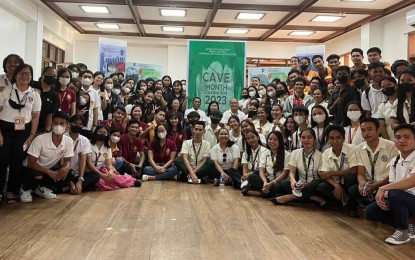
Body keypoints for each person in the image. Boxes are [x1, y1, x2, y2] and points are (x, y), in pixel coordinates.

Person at [365, 124, 415, 245]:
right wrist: (384, 200)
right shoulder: (395, 160)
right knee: (371, 211)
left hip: (411, 200)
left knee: (394, 194)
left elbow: (412, 181)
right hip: (403, 201)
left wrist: (383, 188)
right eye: (398, 137)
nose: (402, 140)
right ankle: (409, 225)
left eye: (407, 137)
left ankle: (403, 231)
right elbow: (393, 183)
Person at [0, 64, 41, 204]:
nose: (24, 76)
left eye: (28, 74)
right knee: (2, 160)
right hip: (4, 129)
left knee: (17, 160)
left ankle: (11, 190)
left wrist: (32, 135)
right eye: (21, 73)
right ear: (16, 75)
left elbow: (35, 116)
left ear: (31, 76)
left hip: (24, 131)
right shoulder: (5, 91)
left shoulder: (35, 94)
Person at [348, 118, 398, 217]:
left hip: (386, 185)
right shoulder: (358, 148)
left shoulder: (391, 146)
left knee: (372, 212)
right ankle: (370, 204)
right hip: (370, 185)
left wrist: (376, 186)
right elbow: (361, 173)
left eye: (370, 129)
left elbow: (393, 174)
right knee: (353, 189)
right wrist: (362, 184)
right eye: (363, 130)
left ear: (378, 130)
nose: (366, 133)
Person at [20, 112, 74, 202]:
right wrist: (49, 172)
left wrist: (66, 167)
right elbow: (31, 163)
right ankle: (24, 189)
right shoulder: (40, 139)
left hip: (47, 170)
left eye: (62, 123)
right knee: (37, 176)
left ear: (67, 125)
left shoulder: (68, 141)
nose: (58, 126)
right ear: (52, 124)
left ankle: (41, 188)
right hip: (29, 168)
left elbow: (68, 160)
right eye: (56, 123)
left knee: (69, 174)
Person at [270, 128, 326, 207]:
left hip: (313, 184)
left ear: (315, 140)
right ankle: (314, 198)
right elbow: (292, 172)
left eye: (309, 137)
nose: (306, 140)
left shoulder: (320, 155)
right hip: (299, 184)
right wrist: (293, 181)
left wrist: (307, 184)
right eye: (303, 137)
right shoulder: (295, 153)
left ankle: (291, 197)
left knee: (316, 183)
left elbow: (321, 176)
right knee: (284, 184)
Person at [86, 125, 141, 191]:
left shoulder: (107, 147)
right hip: (90, 171)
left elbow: (108, 164)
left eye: (104, 132)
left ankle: (131, 181)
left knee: (114, 178)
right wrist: (101, 175)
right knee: (102, 182)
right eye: (100, 132)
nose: (102, 134)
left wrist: (111, 172)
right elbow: (89, 164)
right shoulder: (88, 144)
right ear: (95, 133)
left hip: (102, 170)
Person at [317, 125, 358, 213]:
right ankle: (338, 203)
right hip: (336, 183)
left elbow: (353, 170)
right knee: (322, 187)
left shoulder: (352, 149)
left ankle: (352, 205)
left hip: (348, 183)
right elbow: (324, 174)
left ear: (343, 138)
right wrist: (336, 185)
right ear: (328, 139)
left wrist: (331, 173)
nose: (335, 141)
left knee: (350, 178)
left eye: (338, 138)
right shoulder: (326, 153)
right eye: (331, 138)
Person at [65, 115, 100, 194]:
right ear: (69, 124)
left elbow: (83, 161)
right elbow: (61, 162)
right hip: (64, 173)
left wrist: (80, 180)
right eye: (75, 123)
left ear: (83, 126)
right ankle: (71, 186)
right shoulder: (63, 137)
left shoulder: (85, 141)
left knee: (95, 176)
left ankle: (70, 188)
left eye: (80, 124)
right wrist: (69, 181)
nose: (77, 125)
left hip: (77, 175)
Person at [260, 131, 290, 199]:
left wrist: (272, 183)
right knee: (253, 177)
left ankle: (259, 193)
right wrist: (265, 182)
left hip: (279, 181)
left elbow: (285, 174)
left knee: (286, 183)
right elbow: (261, 171)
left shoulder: (287, 154)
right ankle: (274, 194)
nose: (272, 141)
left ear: (280, 141)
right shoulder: (264, 153)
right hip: (268, 180)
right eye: (270, 139)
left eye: (275, 140)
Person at [240, 129, 269, 194]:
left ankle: (249, 187)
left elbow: (262, 169)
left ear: (258, 137)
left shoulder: (265, 151)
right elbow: (245, 167)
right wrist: (245, 176)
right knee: (231, 171)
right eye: (248, 138)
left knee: (253, 176)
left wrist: (249, 175)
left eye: (253, 137)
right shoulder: (246, 152)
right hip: (248, 175)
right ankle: (249, 186)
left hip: (260, 175)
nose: (251, 140)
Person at [32, 66, 59, 132]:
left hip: (41, 128)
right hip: (25, 124)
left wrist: (46, 132)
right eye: (50, 74)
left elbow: (50, 115)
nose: (52, 77)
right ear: (43, 75)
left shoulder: (54, 95)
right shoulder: (32, 85)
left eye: (55, 76)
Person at [377, 76, 398, 140]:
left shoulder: (404, 102)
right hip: (391, 139)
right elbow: (382, 126)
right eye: (383, 86)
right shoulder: (382, 106)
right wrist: (388, 143)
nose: (386, 88)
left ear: (396, 85)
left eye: (389, 85)